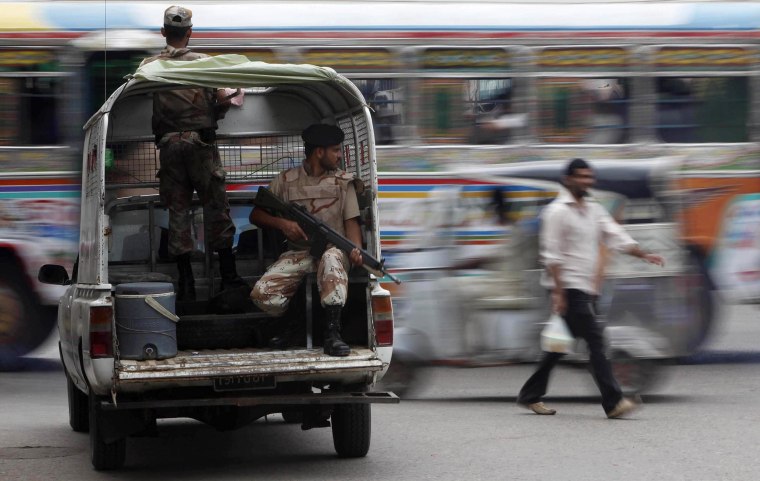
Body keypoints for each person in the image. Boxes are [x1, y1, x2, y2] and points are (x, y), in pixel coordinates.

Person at [517, 158, 665, 419]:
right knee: (596, 342)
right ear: (568, 179)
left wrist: (644, 254)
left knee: (556, 347)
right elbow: (551, 256)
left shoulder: (593, 209)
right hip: (567, 287)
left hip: (585, 288)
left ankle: (529, 395)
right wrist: (559, 294)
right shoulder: (557, 211)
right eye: (582, 177)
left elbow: (614, 235)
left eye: (590, 177)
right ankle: (614, 402)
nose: (588, 182)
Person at [140, 6, 244, 301]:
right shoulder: (204, 63)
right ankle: (228, 278)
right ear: (190, 33)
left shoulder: (150, 64)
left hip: (169, 148)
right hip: (201, 147)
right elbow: (224, 98)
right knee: (216, 208)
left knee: (178, 212)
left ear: (163, 33)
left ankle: (186, 286)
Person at [249, 123, 364, 357]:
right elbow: (257, 215)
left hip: (335, 252)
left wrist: (356, 252)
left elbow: (352, 225)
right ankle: (295, 323)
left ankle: (332, 335)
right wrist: (283, 224)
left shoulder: (344, 183)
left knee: (331, 258)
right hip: (300, 253)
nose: (340, 155)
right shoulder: (286, 181)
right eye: (335, 150)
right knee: (263, 294)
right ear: (318, 152)